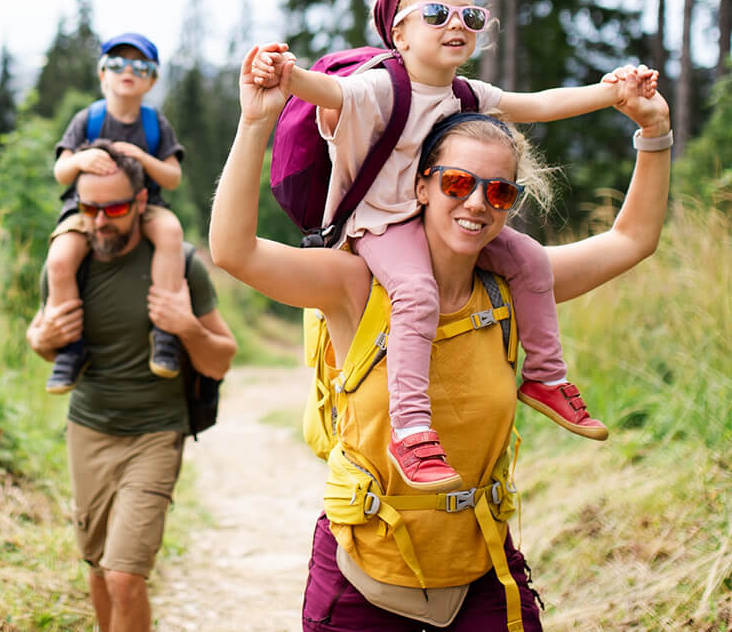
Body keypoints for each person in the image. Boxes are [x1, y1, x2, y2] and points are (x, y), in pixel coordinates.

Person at [211, 44, 670, 631]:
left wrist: (653, 131)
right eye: (457, 182)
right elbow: (233, 251)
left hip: (482, 573)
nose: (477, 203)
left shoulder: (514, 290)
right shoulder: (357, 284)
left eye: (500, 192)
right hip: (361, 578)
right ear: (421, 187)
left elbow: (632, 240)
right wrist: (255, 121)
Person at [250, 0, 660, 491]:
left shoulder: (464, 95)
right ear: (399, 31)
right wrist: (283, 75)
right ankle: (412, 429)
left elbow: (534, 107)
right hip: (380, 227)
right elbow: (328, 93)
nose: (457, 24)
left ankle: (544, 378)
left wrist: (613, 94)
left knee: (531, 259)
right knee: (416, 292)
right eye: (438, 13)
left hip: (430, 218)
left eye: (471, 14)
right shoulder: (380, 87)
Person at [26, 140, 237, 632]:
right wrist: (41, 338)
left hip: (155, 434)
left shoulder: (181, 266)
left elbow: (221, 360)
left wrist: (186, 326)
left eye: (115, 208)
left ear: (141, 204)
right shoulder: (68, 264)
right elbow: (45, 343)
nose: (101, 221)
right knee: (99, 568)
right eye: (89, 208)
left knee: (124, 576)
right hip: (89, 430)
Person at [45, 32, 191, 393]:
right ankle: (70, 346)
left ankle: (165, 333)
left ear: (152, 80)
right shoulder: (88, 120)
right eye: (117, 64)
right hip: (88, 208)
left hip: (145, 205)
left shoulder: (155, 124)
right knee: (61, 259)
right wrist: (79, 159)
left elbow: (172, 177)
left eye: (140, 66)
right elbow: (61, 172)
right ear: (102, 75)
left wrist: (142, 158)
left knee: (171, 234)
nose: (128, 71)